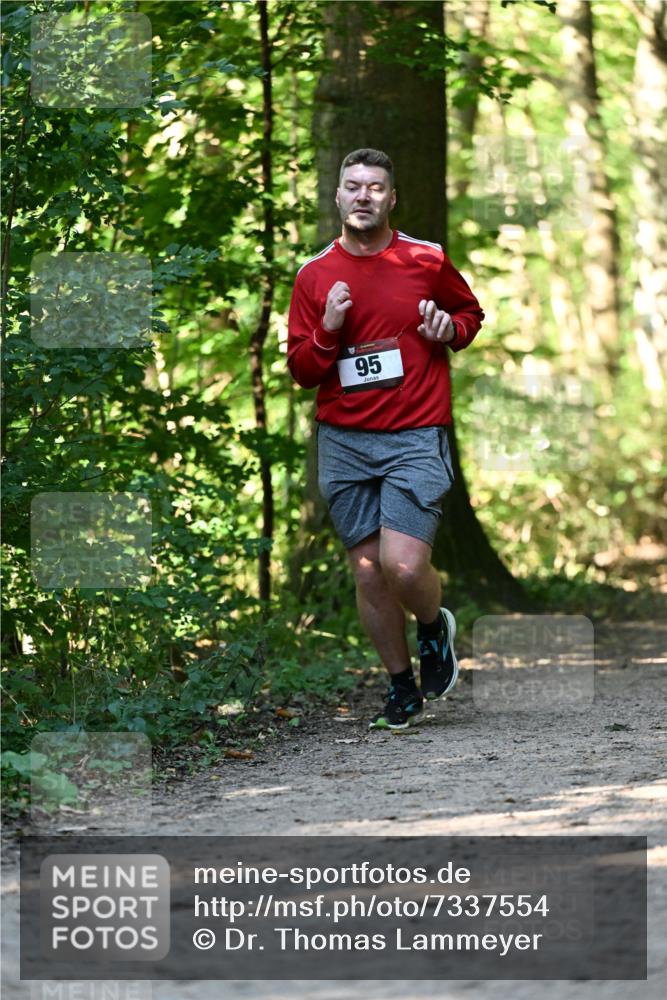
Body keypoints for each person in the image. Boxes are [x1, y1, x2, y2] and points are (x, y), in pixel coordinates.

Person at [287, 148, 484, 730]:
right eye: (354, 186)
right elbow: (302, 370)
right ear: (339, 196)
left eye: (376, 186)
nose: (364, 195)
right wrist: (327, 330)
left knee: (401, 566)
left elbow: (468, 314)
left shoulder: (426, 260)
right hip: (344, 440)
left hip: (415, 433)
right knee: (368, 570)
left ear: (392, 198)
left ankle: (432, 628)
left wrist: (450, 329)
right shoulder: (314, 275)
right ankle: (401, 688)